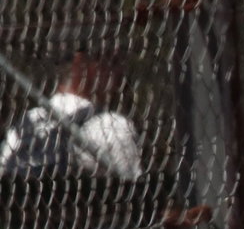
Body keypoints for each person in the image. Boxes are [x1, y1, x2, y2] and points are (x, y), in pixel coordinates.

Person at [0, 49, 143, 179]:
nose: (120, 71)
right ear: (81, 63)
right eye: (113, 62)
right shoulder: (114, 126)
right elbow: (133, 193)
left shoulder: (28, 120)